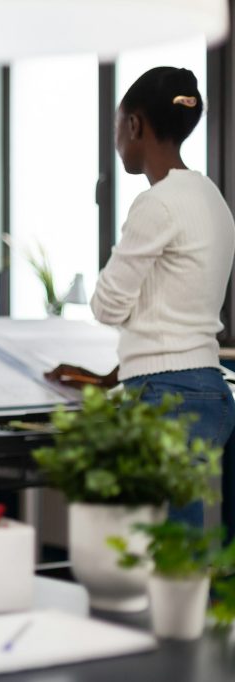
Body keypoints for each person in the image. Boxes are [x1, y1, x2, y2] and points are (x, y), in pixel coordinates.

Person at [45, 67, 235, 533]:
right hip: (209, 390)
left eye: (116, 127)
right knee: (186, 554)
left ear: (134, 126)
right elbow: (177, 304)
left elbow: (106, 306)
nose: (116, 141)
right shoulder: (210, 196)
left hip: (165, 398)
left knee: (162, 558)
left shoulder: (157, 203)